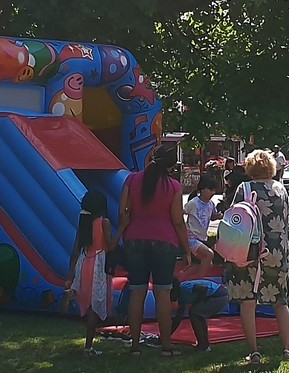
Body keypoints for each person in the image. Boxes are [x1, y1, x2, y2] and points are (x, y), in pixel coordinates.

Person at [228, 149, 289, 363]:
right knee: (280, 300)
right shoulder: (280, 189)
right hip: (277, 251)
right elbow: (286, 218)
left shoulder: (245, 188)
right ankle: (288, 349)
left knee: (248, 301)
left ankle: (254, 352)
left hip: (249, 251)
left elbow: (236, 218)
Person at [118, 146, 190, 357]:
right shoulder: (174, 186)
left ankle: (134, 345)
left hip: (134, 239)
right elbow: (177, 220)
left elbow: (123, 212)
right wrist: (186, 249)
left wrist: (122, 236)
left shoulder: (132, 180)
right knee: (163, 293)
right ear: (171, 166)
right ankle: (166, 345)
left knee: (137, 292)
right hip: (164, 241)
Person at [64, 191, 116, 356]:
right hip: (98, 263)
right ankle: (88, 346)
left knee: (87, 297)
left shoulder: (84, 223)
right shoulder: (104, 223)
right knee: (96, 304)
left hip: (84, 260)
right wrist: (122, 229)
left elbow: (75, 250)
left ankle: (71, 291)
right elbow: (110, 245)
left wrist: (70, 276)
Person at [170, 266, 230, 351]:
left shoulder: (185, 288)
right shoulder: (181, 297)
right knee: (198, 314)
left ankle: (203, 345)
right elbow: (178, 318)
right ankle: (204, 344)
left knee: (194, 313)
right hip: (219, 295)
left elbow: (202, 289)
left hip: (219, 295)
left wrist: (196, 303)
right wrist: (165, 337)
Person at [184, 174, 222, 266]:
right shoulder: (193, 203)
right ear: (201, 189)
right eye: (210, 190)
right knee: (209, 254)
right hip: (192, 238)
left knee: (208, 263)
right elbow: (181, 213)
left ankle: (187, 275)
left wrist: (219, 216)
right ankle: (201, 278)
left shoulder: (211, 204)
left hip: (202, 238)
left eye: (214, 190)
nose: (213, 192)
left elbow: (212, 217)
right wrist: (185, 228)